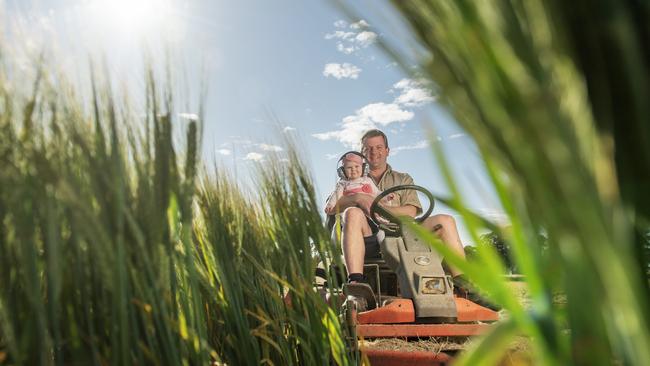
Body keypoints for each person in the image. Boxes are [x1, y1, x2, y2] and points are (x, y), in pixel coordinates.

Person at [332, 129, 496, 308]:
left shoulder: (402, 178)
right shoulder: (351, 176)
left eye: (379, 147)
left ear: (387, 150)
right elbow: (331, 208)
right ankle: (356, 285)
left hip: (403, 235)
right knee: (352, 213)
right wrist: (357, 198)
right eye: (368, 148)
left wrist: (383, 208)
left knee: (446, 220)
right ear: (361, 154)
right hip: (369, 238)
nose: (374, 152)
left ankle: (465, 287)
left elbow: (411, 211)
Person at [324, 151, 395, 216]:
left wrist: (386, 197)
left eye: (357, 166)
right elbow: (336, 195)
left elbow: (377, 193)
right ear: (342, 171)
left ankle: (380, 222)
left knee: (379, 210)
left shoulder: (367, 181)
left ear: (364, 168)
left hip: (369, 212)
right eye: (349, 168)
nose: (353, 170)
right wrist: (330, 205)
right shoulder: (343, 183)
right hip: (351, 213)